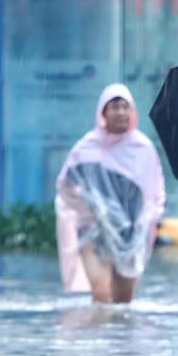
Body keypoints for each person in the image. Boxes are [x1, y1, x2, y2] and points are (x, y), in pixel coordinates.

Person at [55, 83, 165, 304]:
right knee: (102, 294)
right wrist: (88, 209)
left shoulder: (143, 148)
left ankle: (120, 339)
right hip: (94, 232)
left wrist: (150, 219)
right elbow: (66, 187)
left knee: (123, 302)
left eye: (125, 106)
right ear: (103, 112)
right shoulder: (86, 148)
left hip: (131, 232)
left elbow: (155, 193)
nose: (121, 112)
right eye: (115, 107)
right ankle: (96, 338)